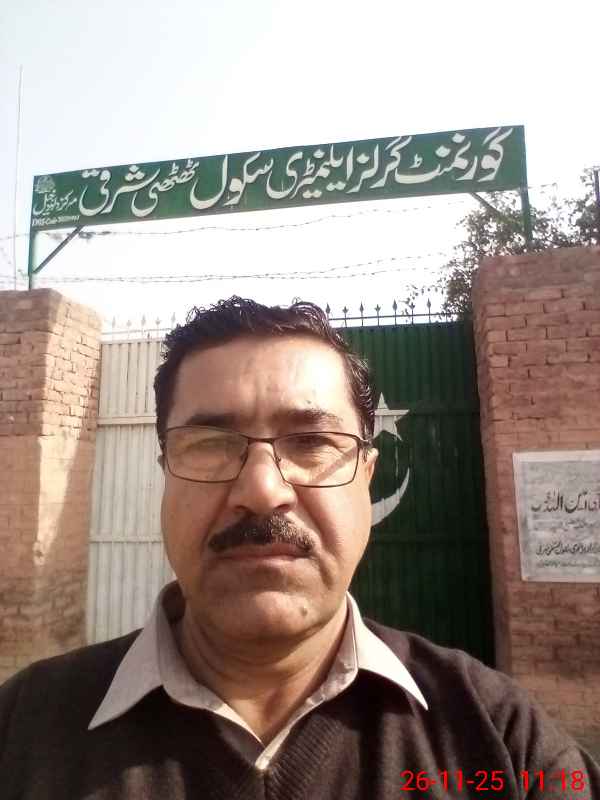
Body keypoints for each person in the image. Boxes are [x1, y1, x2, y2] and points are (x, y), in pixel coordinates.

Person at [0, 296, 598, 800]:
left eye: (312, 442)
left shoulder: (502, 742)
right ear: (166, 474)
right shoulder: (22, 729)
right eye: (210, 443)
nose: (262, 491)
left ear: (367, 477)